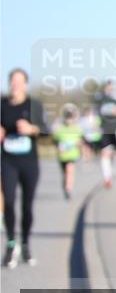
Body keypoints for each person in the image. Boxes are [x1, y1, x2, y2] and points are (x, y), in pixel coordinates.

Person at [1, 69, 48, 268]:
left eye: (20, 81)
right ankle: (11, 244)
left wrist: (31, 129)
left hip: (29, 162)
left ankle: (26, 244)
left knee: (27, 206)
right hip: (8, 161)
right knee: (8, 202)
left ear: (25, 84)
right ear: (9, 83)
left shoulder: (33, 105)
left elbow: (46, 130)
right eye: (13, 81)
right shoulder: (2, 104)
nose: (16, 84)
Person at [93, 79, 116, 188]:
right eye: (107, 86)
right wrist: (95, 125)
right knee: (105, 153)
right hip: (105, 129)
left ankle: (112, 172)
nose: (109, 88)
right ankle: (107, 178)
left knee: (115, 154)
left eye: (111, 87)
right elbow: (96, 113)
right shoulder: (100, 98)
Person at [52, 103, 84, 199]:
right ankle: (66, 187)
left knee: (70, 171)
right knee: (65, 174)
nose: (69, 120)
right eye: (67, 117)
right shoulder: (59, 129)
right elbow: (55, 141)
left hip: (73, 154)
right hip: (62, 155)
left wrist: (79, 146)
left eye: (71, 117)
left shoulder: (77, 129)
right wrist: (59, 147)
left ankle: (68, 189)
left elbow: (81, 141)